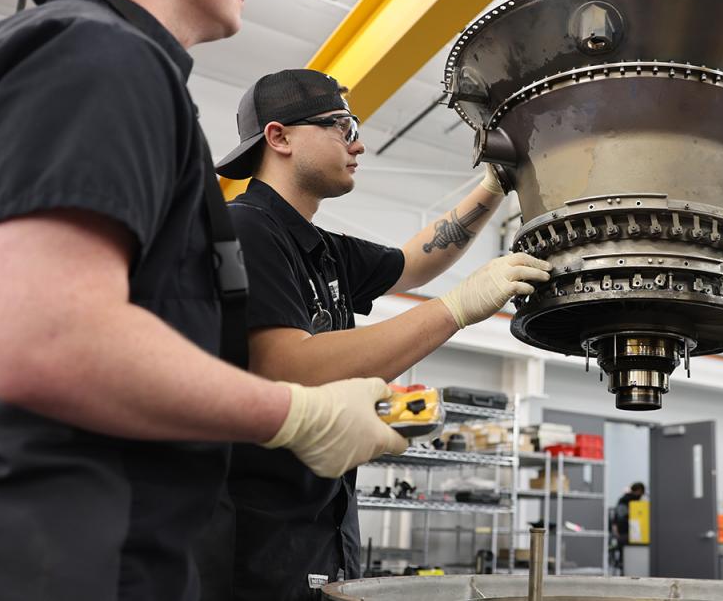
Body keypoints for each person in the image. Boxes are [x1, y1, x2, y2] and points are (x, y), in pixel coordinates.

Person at [0, 0, 408, 600]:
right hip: (68, 553)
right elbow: (45, 338)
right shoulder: (98, 55)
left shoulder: (132, 74)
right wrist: (294, 413)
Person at [209, 68, 551, 599]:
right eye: (342, 127)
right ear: (279, 137)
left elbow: (414, 262)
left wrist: (493, 186)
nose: (359, 143)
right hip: (257, 549)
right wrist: (456, 308)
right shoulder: (247, 229)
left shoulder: (323, 250)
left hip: (325, 539)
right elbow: (289, 366)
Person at [610, 482, 645, 574]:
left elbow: (616, 517)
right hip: (626, 532)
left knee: (624, 557)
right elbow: (619, 517)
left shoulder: (624, 500)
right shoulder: (628, 501)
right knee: (626, 557)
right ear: (638, 491)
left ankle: (622, 568)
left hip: (625, 532)